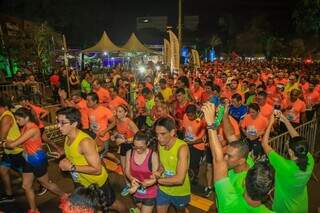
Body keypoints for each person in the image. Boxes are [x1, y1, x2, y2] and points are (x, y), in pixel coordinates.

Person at [201, 102, 274, 212]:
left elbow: (218, 160)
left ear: (244, 183)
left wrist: (211, 124)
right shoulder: (247, 160)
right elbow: (231, 136)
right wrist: (225, 115)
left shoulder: (231, 202)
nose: (225, 158)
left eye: (229, 157)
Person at [57, 107, 126, 213]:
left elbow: (97, 169)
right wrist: (64, 155)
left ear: (74, 124)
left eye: (62, 123)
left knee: (114, 205)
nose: (58, 125)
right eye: (58, 121)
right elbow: (76, 155)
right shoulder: (67, 136)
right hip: (81, 181)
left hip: (97, 183)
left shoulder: (84, 142)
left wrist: (71, 167)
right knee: (91, 207)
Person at [1, 107, 64, 213]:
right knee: (26, 186)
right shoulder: (24, 127)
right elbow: (21, 143)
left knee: (45, 183)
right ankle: (34, 210)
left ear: (26, 118)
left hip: (37, 159)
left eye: (18, 119)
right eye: (16, 119)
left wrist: (2, 142)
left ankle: (66, 196)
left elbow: (12, 145)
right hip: (27, 158)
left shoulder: (32, 129)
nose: (17, 122)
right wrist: (7, 141)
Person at [261, 111, 314, 213]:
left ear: (290, 151)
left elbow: (264, 144)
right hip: (302, 206)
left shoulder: (284, 165)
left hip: (284, 208)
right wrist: (284, 119)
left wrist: (271, 123)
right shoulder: (309, 160)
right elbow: (298, 140)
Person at [154, 117, 190, 213]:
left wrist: (155, 180)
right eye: (157, 134)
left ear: (172, 132)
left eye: (163, 134)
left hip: (180, 192)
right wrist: (159, 171)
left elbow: (179, 179)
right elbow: (162, 165)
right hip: (163, 189)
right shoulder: (160, 144)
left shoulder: (182, 148)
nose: (158, 138)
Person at [125, 132, 159, 213]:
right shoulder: (129, 153)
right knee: (141, 209)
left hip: (149, 192)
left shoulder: (153, 155)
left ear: (147, 144)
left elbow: (156, 177)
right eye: (135, 146)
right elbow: (127, 171)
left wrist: (147, 183)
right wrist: (131, 179)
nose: (138, 150)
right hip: (135, 192)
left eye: (141, 147)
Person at [109, 105, 139, 196]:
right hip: (123, 146)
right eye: (117, 111)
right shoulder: (117, 120)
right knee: (123, 166)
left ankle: (136, 184)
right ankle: (128, 185)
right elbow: (118, 132)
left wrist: (125, 140)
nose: (118, 113)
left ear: (125, 113)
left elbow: (138, 136)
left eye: (120, 111)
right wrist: (115, 135)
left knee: (129, 168)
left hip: (131, 146)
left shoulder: (129, 122)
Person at [0, 97, 24, 203]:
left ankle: (43, 182)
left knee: (26, 175)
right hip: (9, 150)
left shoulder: (6, 117)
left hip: (16, 150)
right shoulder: (3, 116)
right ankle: (9, 195)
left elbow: (2, 137)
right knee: (3, 170)